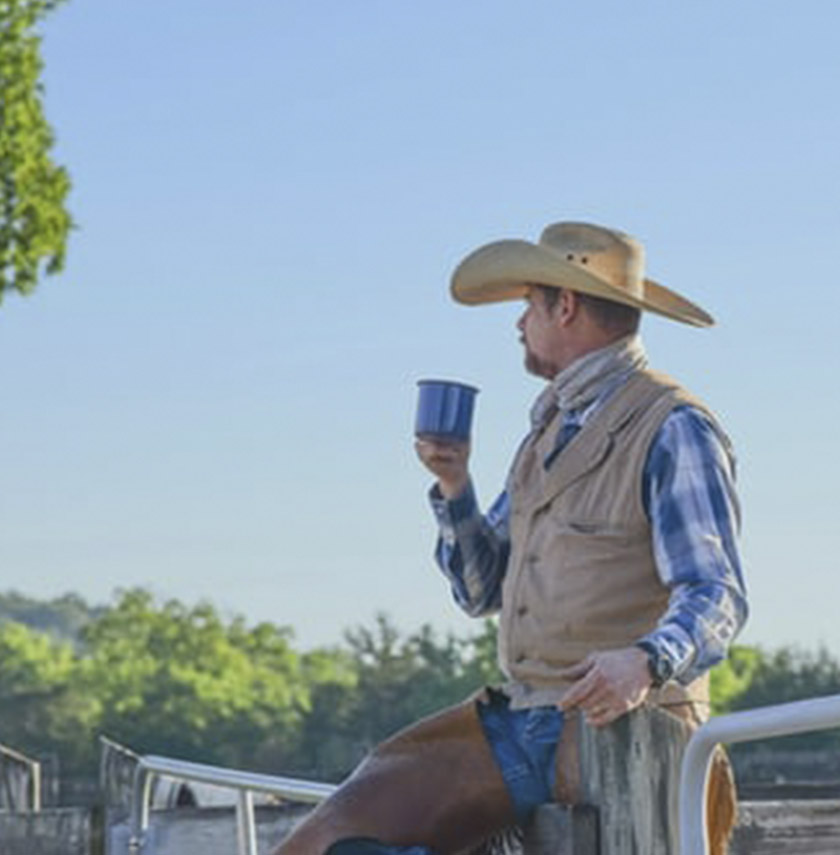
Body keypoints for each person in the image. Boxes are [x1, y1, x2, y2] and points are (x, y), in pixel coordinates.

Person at [272, 221, 748, 855]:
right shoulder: (546, 432)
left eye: (529, 303)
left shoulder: (674, 426)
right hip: (521, 722)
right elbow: (481, 591)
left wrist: (645, 660)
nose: (519, 322)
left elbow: (718, 594)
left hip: (625, 730)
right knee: (318, 844)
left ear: (567, 305)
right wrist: (454, 485)